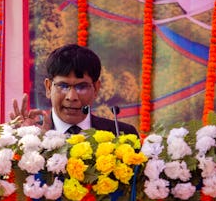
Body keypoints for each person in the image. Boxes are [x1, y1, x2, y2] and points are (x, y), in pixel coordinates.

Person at [10, 44, 138, 135]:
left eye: (81, 87)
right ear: (49, 88)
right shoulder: (29, 134)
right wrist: (21, 141)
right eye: (63, 86)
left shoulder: (122, 135)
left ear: (96, 88)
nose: (72, 97)